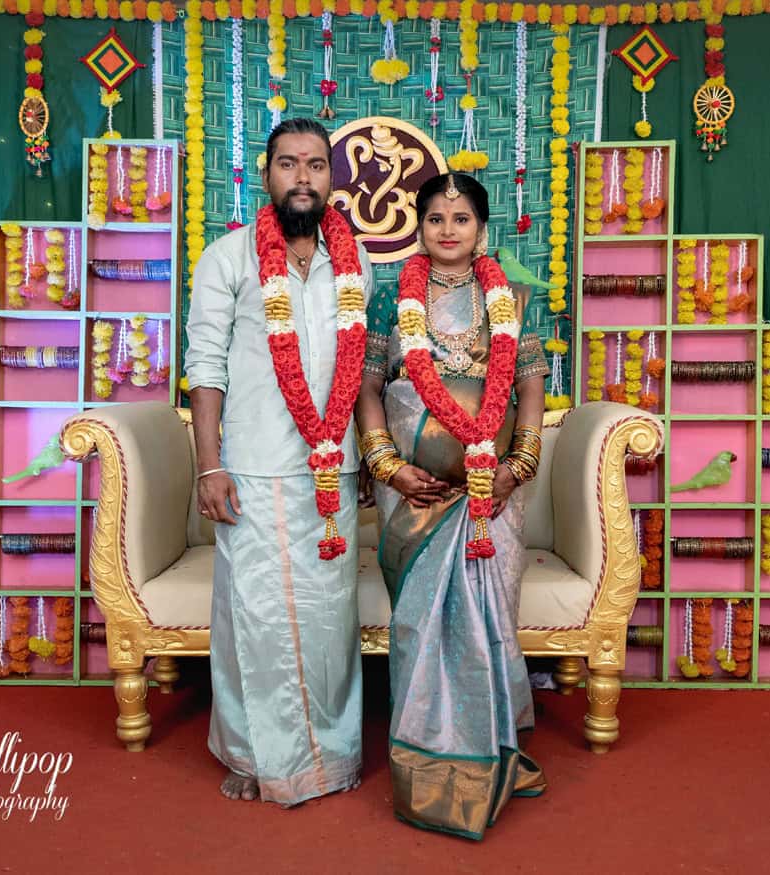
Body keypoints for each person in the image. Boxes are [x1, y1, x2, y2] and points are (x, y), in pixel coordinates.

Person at [185, 117, 375, 806]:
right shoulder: (228, 258)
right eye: (289, 163)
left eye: (316, 164)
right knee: (254, 618)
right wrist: (210, 465)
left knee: (329, 620)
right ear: (265, 175)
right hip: (254, 465)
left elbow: (361, 376)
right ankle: (248, 752)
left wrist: (369, 465)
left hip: (333, 471)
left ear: (331, 178)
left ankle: (331, 754)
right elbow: (205, 368)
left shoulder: (355, 264)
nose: (303, 176)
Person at [354, 172, 549, 839]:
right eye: (434, 217)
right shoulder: (388, 299)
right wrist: (388, 464)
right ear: (418, 226)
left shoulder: (515, 299)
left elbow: (527, 392)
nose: (446, 230)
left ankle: (490, 754)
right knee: (419, 625)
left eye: (459, 218)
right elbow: (370, 388)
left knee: (487, 617)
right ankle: (425, 769)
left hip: (491, 491)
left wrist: (515, 468)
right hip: (409, 491)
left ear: (480, 228)